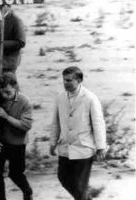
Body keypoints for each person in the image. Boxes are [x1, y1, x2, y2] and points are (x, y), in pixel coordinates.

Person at [49, 66, 107, 200]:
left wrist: (101, 147)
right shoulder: (60, 98)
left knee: (79, 186)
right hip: (65, 148)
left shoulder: (90, 98)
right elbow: (55, 122)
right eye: (64, 80)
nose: (65, 83)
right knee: (63, 178)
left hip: (83, 149)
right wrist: (52, 143)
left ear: (79, 80)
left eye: (69, 80)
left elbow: (98, 123)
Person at [0, 72, 33, 200]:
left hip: (17, 144)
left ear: (15, 87)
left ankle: (28, 192)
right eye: (2, 92)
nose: (5, 96)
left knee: (15, 174)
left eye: (8, 92)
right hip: (1, 143)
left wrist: (6, 117)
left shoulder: (24, 101)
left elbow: (26, 126)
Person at [0, 5, 26, 73]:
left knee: (8, 81)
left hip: (10, 61)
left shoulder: (16, 20)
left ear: (7, 6)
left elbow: (21, 42)